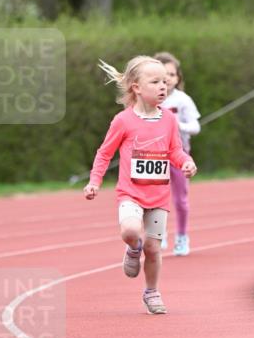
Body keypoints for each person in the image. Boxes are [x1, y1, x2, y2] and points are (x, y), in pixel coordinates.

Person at [84, 56, 197, 315]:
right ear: (136, 87)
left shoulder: (169, 120)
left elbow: (175, 151)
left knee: (154, 249)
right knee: (131, 231)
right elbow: (104, 153)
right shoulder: (123, 121)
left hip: (158, 196)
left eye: (165, 81)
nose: (163, 86)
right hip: (131, 194)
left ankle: (151, 291)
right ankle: (133, 249)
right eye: (155, 82)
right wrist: (94, 181)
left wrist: (186, 162)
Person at [153, 51, 201, 255]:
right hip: (155, 156)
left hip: (179, 155)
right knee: (155, 196)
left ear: (178, 77)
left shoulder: (183, 100)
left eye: (172, 75)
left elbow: (195, 127)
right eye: (163, 75)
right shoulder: (149, 99)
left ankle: (181, 236)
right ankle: (159, 231)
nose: (167, 79)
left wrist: (178, 125)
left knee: (180, 199)